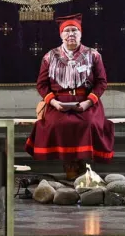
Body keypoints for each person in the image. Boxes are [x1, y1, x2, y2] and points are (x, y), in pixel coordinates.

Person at [25, 14, 115, 179]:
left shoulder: (93, 55)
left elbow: (101, 82)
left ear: (81, 34)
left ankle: (82, 165)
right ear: (61, 34)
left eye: (75, 30)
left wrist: (89, 102)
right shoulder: (49, 56)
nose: (71, 34)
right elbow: (42, 85)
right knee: (58, 124)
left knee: (89, 123)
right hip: (58, 103)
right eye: (67, 30)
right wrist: (53, 102)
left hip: (86, 102)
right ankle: (69, 165)